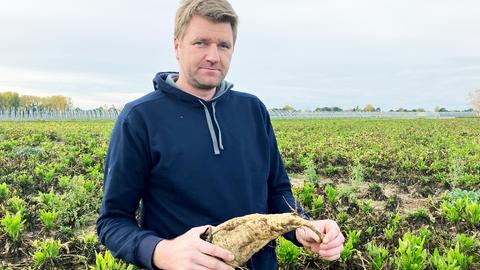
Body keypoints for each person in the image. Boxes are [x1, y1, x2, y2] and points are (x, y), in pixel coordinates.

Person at [96, 0, 345, 269]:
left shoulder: (253, 110)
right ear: (177, 46)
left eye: (224, 45)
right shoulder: (141, 117)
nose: (214, 56)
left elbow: (277, 192)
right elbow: (113, 221)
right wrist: (162, 251)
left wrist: (302, 227)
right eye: (201, 42)